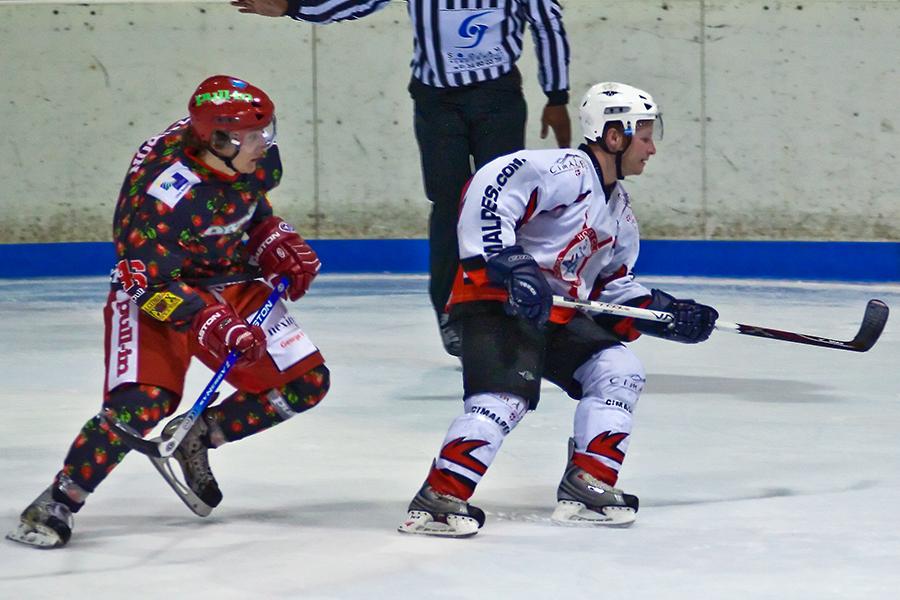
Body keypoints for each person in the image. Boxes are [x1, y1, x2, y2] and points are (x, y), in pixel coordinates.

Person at [6, 75, 330, 549]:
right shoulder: (161, 197)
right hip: (158, 288)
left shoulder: (231, 150)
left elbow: (246, 200)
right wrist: (207, 319)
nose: (266, 143)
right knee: (143, 402)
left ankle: (202, 433)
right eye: (253, 136)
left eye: (267, 130)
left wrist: (269, 236)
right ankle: (58, 500)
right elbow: (143, 280)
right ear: (217, 141)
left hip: (227, 275)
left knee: (306, 382)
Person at [397, 82, 719, 537]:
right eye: (644, 135)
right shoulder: (562, 170)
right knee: (503, 399)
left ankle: (588, 484)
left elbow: (611, 291)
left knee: (617, 367)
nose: (651, 148)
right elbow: (490, 187)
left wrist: (667, 315)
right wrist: (509, 262)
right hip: (498, 303)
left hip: (555, 315)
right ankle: (438, 498)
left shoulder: (620, 212)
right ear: (614, 136)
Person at [231, 0, 571, 356]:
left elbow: (547, 21)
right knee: (450, 205)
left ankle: (508, 303)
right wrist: (293, 7)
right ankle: (451, 310)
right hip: (437, 100)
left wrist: (557, 95)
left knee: (502, 204)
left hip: (498, 98)